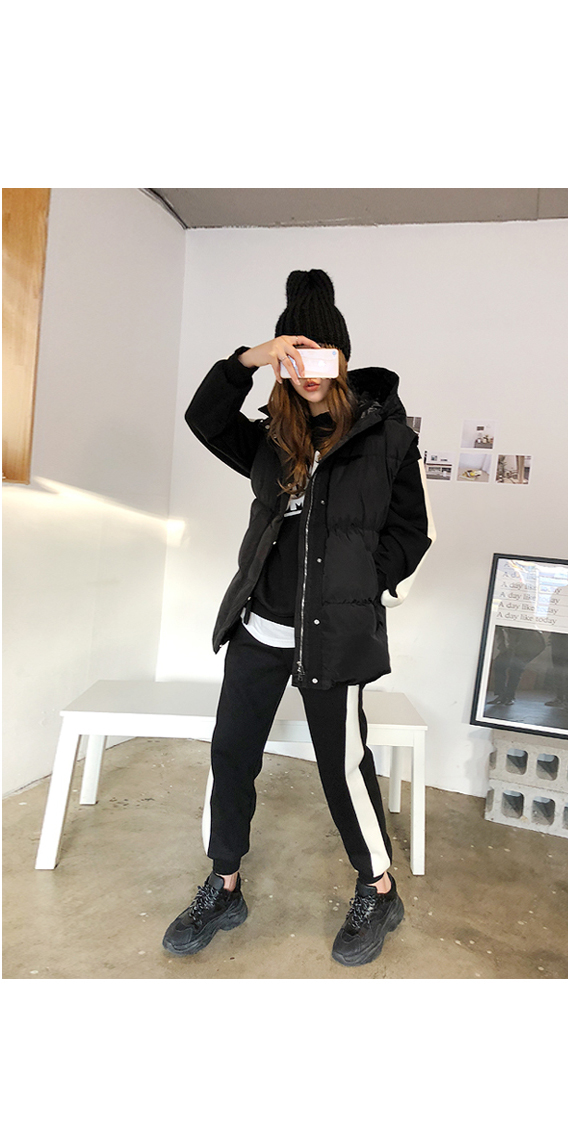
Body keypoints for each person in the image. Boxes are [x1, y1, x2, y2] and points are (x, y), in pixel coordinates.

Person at [162, 269, 434, 967]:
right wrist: (249, 358)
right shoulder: (271, 437)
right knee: (231, 754)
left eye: (322, 355)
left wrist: (360, 584)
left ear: (342, 359)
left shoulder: (387, 438)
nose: (309, 372)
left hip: (332, 635)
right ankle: (224, 884)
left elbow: (412, 532)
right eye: (296, 355)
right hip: (259, 627)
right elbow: (203, 418)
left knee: (341, 767)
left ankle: (379, 888)